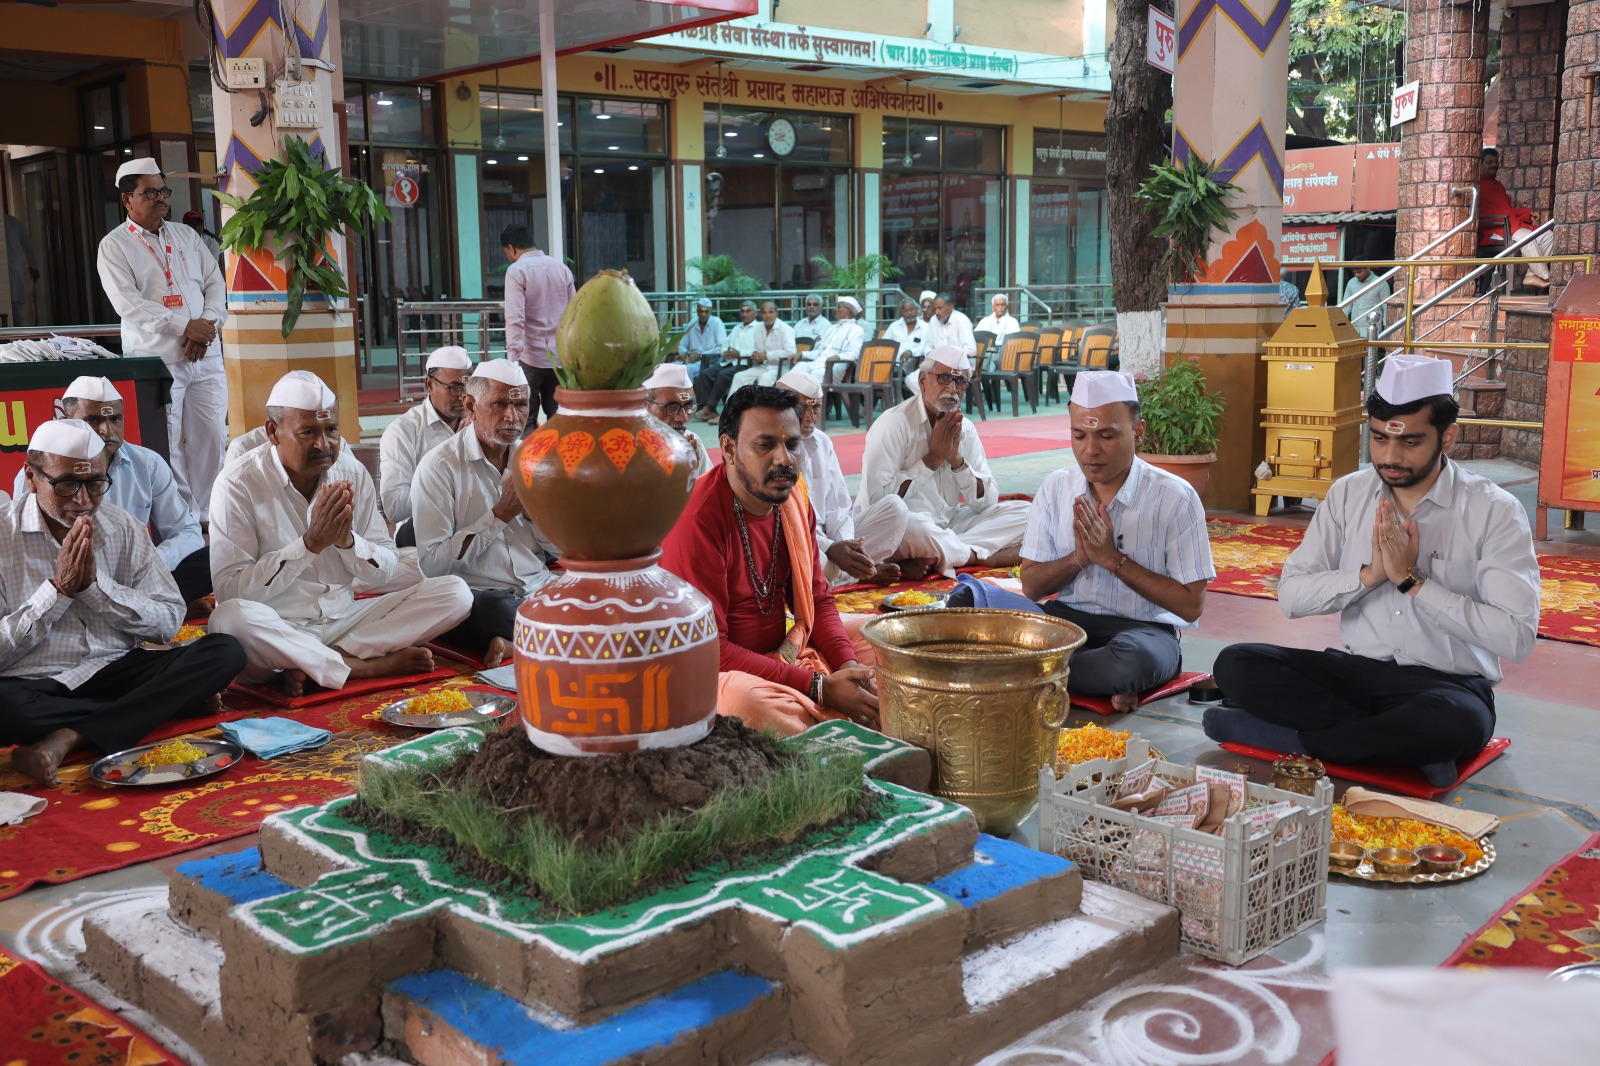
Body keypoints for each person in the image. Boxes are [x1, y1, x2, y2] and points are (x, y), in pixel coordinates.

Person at [1206, 354, 1540, 786]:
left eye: (1410, 442)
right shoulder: (1348, 494)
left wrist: (1413, 582)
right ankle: (1400, 750)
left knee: (1455, 724)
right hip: (1356, 674)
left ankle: (1293, 739)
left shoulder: (1494, 511)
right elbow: (1291, 597)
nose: (1390, 455)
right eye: (1379, 439)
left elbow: (1516, 638)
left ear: (1449, 437)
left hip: (1446, 688)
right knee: (1236, 664)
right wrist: (1370, 576)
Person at [0, 419, 245, 786]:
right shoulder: (4, 535)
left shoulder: (122, 526)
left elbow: (168, 620)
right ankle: (157, 707)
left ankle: (69, 736)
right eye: (67, 484)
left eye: (96, 483)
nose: (83, 501)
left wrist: (96, 591)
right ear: (31, 477)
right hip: (36, 681)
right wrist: (58, 592)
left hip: (117, 668)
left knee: (225, 652)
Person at [207, 373, 472, 697]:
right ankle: (363, 666)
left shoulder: (351, 472)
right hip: (275, 626)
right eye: (308, 433)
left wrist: (348, 543)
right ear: (273, 432)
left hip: (344, 618)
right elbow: (229, 589)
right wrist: (308, 545)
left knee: (456, 592)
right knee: (228, 619)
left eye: (331, 430)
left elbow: (384, 566)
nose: (323, 445)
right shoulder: (238, 483)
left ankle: (324, 659)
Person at [661, 386, 880, 735]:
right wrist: (819, 687)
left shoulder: (791, 500)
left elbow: (818, 600)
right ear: (729, 449)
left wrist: (850, 671)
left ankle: (850, 709)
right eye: (765, 446)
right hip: (717, 670)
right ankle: (845, 727)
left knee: (879, 640)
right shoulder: (699, 518)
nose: (784, 459)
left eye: (791, 445)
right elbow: (710, 649)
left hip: (784, 650)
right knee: (747, 703)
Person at [1016, 371, 1214, 710]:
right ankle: (1078, 676)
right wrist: (1079, 557)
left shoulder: (1175, 497)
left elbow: (1191, 604)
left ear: (1138, 433)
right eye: (1079, 435)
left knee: (1132, 661)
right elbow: (1032, 587)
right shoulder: (1055, 488)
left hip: (1143, 633)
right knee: (968, 602)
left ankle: (1024, 671)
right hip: (1066, 622)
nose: (1090, 450)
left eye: (1106, 435)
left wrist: (1113, 560)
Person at [96, 157, 228, 521]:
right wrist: (184, 327)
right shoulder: (114, 246)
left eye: (163, 190)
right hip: (159, 360)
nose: (160, 198)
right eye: (149, 191)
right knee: (166, 442)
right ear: (127, 200)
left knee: (212, 437)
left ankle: (209, 513)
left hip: (206, 354)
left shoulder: (186, 236)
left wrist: (208, 324)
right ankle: (181, 516)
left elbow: (216, 283)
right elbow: (128, 303)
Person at [13, 376, 210, 605]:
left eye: (115, 418)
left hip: (133, 576)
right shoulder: (40, 473)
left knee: (211, 560)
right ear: (66, 420)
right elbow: (22, 542)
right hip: (66, 579)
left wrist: (148, 563)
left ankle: (152, 604)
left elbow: (187, 532)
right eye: (94, 420)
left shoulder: (148, 464)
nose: (107, 430)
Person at [413, 360, 554, 668]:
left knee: (598, 597)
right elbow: (432, 566)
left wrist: (532, 513)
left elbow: (561, 550)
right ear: (470, 405)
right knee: (495, 609)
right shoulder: (439, 468)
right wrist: (500, 515)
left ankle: (519, 643)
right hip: (480, 598)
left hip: (537, 588)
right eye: (500, 403)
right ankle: (549, 635)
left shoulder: (534, 462)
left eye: (520, 404)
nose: (511, 416)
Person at [856, 346, 1030, 579]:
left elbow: (986, 502)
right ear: (922, 381)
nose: (952, 389)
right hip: (901, 530)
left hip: (948, 525)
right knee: (915, 525)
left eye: (960, 382)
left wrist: (955, 459)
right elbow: (878, 503)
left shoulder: (964, 428)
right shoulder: (892, 425)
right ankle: (981, 556)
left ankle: (944, 553)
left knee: (1027, 513)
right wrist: (932, 459)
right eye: (944, 378)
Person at [776, 371, 907, 587]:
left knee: (896, 509)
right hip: (797, 540)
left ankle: (844, 573)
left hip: (830, 541)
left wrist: (847, 546)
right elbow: (781, 523)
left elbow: (839, 508)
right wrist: (830, 549)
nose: (810, 417)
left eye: (815, 407)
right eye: (802, 409)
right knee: (804, 556)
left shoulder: (823, 442)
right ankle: (859, 574)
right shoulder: (772, 447)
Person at [379, 345, 473, 547]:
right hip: (421, 533)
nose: (463, 396)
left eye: (468, 388)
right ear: (429, 385)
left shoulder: (479, 423)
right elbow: (395, 507)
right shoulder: (403, 431)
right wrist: (450, 458)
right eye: (455, 388)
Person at [502, 224, 576, 421]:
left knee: (525, 421)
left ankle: (530, 453)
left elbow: (515, 319)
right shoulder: (562, 269)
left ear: (511, 248)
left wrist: (512, 361)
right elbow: (574, 315)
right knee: (561, 420)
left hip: (530, 358)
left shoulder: (516, 271)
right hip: (559, 358)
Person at [1477, 148, 1553, 290]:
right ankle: (1547, 277)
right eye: (1489, 162)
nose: (1494, 165)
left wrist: (1527, 214)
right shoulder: (1477, 185)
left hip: (1510, 226)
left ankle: (1531, 275)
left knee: (1548, 236)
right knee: (1526, 237)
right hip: (1494, 231)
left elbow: (1506, 210)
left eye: (1496, 162)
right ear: (1480, 165)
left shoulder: (1498, 185)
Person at [643, 362, 713, 477]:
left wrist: (692, 475)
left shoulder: (691, 442)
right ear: (645, 405)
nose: (683, 418)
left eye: (688, 406)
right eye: (672, 407)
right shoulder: (629, 446)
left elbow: (708, 492)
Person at [694, 301, 761, 422]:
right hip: (730, 362)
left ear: (756, 313)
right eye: (742, 311)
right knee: (705, 374)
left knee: (723, 375)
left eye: (748, 311)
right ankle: (707, 407)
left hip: (746, 364)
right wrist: (726, 352)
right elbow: (725, 345)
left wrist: (739, 353)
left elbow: (758, 350)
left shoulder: (759, 329)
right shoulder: (737, 328)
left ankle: (710, 407)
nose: (744, 314)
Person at [729, 300, 797, 393]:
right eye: (764, 312)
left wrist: (767, 355)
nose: (767, 316)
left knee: (765, 378)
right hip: (763, 366)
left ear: (776, 313)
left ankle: (763, 407)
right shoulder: (758, 328)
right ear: (760, 314)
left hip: (781, 368)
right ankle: (732, 407)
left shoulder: (785, 328)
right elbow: (756, 348)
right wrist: (756, 354)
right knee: (739, 377)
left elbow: (791, 352)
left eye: (771, 312)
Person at [798, 295, 866, 385]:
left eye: (838, 307)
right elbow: (820, 350)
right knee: (798, 369)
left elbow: (854, 353)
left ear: (848, 311)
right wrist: (802, 354)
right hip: (817, 364)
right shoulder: (832, 328)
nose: (835, 310)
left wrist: (838, 357)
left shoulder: (856, 330)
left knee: (807, 382)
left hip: (834, 367)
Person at [680, 297, 727, 390]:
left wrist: (701, 355)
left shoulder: (717, 323)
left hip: (711, 362)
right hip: (691, 360)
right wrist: (687, 353)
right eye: (701, 311)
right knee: (671, 368)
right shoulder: (692, 323)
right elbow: (681, 346)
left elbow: (722, 347)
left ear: (711, 311)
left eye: (706, 312)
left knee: (687, 369)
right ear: (697, 310)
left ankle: (688, 399)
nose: (703, 314)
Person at [5, 214, 39, 326]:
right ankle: (26, 340)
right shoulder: (14, 222)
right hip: (15, 271)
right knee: (18, 314)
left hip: (9, 272)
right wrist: (34, 266)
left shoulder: (13, 223)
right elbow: (28, 245)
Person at [925, 292, 977, 363]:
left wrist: (949, 354)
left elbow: (971, 350)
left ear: (951, 307)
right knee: (917, 374)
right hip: (937, 364)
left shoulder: (962, 320)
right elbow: (928, 345)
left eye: (940, 308)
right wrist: (931, 354)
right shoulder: (933, 320)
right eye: (935, 309)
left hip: (960, 365)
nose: (936, 312)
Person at [1341, 266, 1391, 335]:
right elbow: (1346, 307)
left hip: (1373, 330)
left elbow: (1386, 307)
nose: (1356, 275)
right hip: (1354, 330)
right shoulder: (1351, 282)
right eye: (1354, 272)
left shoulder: (1381, 283)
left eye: (1359, 272)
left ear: (1368, 268)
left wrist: (1386, 327)